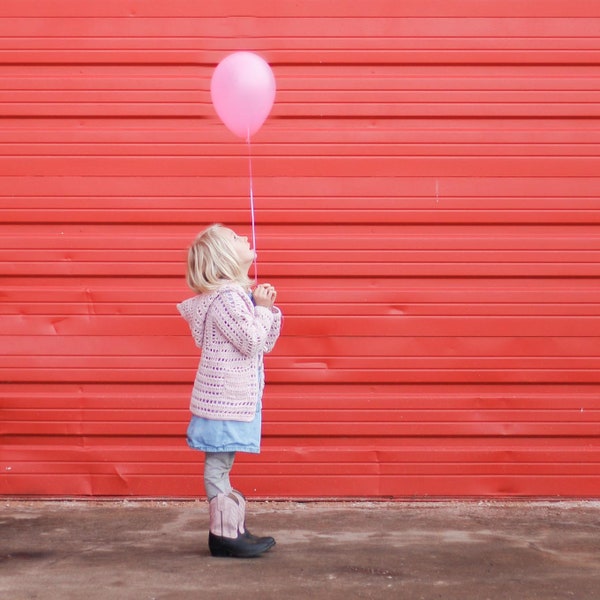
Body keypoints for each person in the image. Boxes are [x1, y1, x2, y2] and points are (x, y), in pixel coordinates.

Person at [177, 224, 282, 558]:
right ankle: (223, 536)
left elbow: (263, 342)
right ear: (225, 258)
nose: (246, 238)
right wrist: (261, 310)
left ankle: (231, 529)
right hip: (224, 402)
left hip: (231, 400)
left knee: (223, 464)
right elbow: (251, 341)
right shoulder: (225, 300)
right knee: (218, 466)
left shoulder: (233, 298)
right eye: (237, 239)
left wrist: (263, 308)